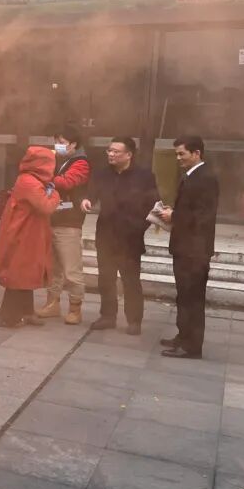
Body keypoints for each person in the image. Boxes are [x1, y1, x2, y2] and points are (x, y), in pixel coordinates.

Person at [80, 137, 159, 335]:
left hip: (130, 237)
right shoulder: (102, 174)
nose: (111, 154)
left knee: (130, 280)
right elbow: (91, 194)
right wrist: (87, 200)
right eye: (109, 150)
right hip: (106, 234)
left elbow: (153, 205)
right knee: (105, 278)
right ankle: (108, 316)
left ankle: (134, 320)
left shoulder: (144, 176)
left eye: (116, 151)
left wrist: (139, 227)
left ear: (129, 154)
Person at [158, 136, 219, 359]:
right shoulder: (192, 175)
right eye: (176, 154)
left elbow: (203, 215)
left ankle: (192, 346)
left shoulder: (206, 178)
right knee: (184, 296)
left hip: (195, 250)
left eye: (182, 153)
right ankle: (183, 336)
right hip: (185, 248)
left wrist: (174, 215)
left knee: (192, 299)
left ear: (197, 153)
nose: (178, 158)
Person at [0, 146, 61, 328]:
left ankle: (26, 312)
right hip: (23, 235)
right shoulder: (29, 182)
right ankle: (7, 317)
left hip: (28, 233)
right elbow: (46, 207)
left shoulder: (29, 179)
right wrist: (55, 194)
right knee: (19, 274)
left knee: (26, 273)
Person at [35, 126, 91, 325]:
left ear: (73, 144)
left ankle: (75, 308)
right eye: (56, 141)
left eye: (62, 142)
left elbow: (67, 182)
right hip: (52, 219)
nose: (57, 145)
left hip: (69, 223)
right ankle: (52, 303)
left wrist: (43, 178)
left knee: (71, 270)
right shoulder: (59, 160)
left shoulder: (81, 163)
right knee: (53, 268)